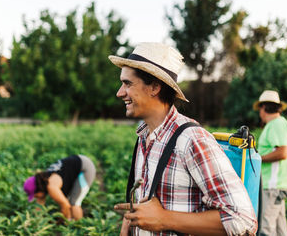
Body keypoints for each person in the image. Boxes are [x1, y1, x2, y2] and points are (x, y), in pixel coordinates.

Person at [110, 42, 257, 236]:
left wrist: (163, 219)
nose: (120, 92)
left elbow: (243, 220)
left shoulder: (191, 139)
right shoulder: (144, 136)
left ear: (154, 87)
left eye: (127, 83)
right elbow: (143, 202)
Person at [253, 90, 287, 236]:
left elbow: (282, 152)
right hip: (277, 186)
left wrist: (257, 158)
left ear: (264, 108)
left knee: (266, 230)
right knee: (279, 230)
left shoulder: (276, 124)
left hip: (272, 186)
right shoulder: (279, 124)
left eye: (260, 109)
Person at [23, 154, 96, 221]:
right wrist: (34, 221)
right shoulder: (44, 179)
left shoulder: (51, 186)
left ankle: (81, 229)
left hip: (85, 167)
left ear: (39, 189)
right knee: (68, 200)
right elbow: (39, 206)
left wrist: (64, 221)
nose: (36, 197)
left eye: (35, 195)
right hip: (76, 162)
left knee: (74, 203)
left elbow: (65, 205)